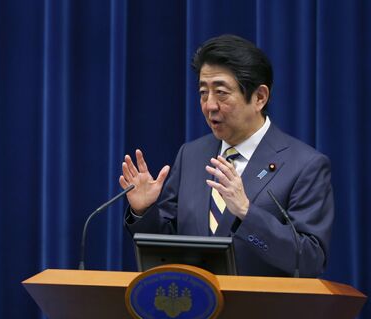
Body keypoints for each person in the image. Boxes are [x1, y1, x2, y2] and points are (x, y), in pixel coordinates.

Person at [120, 34, 333, 277]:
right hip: (195, 309)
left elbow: (309, 260)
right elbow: (169, 246)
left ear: (259, 97)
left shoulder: (304, 165)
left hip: (263, 311)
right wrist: (144, 211)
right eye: (203, 92)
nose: (209, 105)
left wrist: (247, 212)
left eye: (221, 92)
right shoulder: (191, 155)